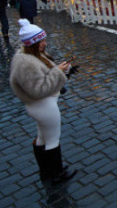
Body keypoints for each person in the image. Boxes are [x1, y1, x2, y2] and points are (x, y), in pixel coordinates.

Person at [9, 19, 76, 184]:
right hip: (43, 106)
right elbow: (39, 89)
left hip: (37, 106)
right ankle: (58, 174)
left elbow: (44, 74)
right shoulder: (27, 63)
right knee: (53, 139)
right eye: (42, 41)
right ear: (33, 43)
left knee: (42, 138)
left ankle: (46, 172)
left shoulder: (26, 56)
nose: (45, 44)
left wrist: (64, 71)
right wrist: (58, 73)